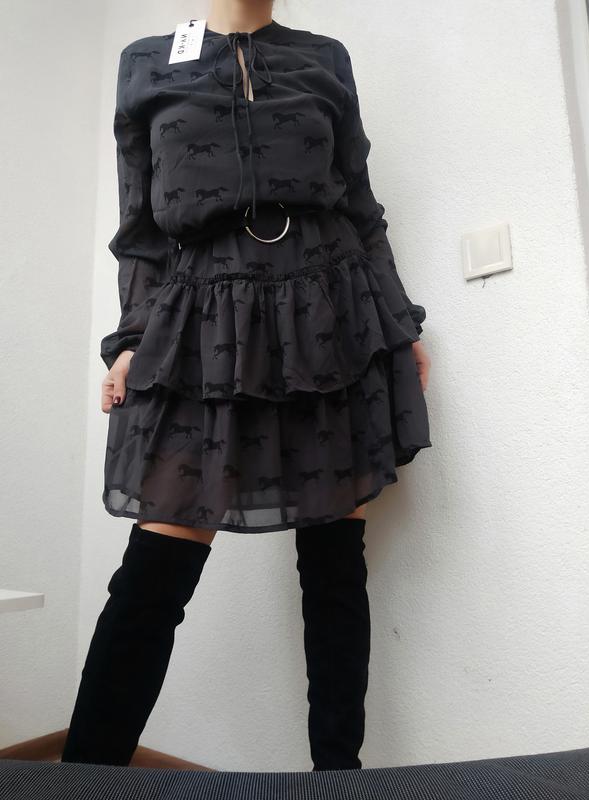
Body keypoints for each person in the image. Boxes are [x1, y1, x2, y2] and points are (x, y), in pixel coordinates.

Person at [61, 0, 432, 771]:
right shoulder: (146, 62)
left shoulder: (324, 57)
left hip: (328, 313)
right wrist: (130, 342)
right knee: (153, 574)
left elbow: (361, 210)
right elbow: (141, 233)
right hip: (204, 319)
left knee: (335, 567)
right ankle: (82, 782)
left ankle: (339, 781)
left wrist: (400, 324)